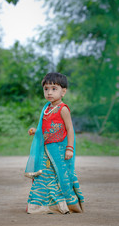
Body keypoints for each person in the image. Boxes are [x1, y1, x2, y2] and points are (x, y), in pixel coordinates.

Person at [24, 72, 84, 214]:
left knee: (61, 177)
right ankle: (41, 205)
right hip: (46, 151)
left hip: (60, 151)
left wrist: (70, 148)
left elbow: (69, 129)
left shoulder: (63, 109)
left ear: (63, 91)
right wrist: (36, 131)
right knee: (44, 176)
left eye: (54, 88)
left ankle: (66, 205)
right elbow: (45, 130)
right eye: (46, 89)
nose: (49, 92)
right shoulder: (47, 109)